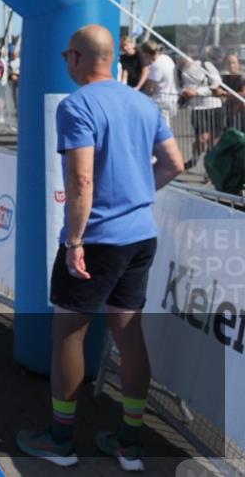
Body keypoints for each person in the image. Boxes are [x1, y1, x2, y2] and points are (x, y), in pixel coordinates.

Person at [17, 25, 184, 470]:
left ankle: (61, 440)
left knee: (67, 336)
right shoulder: (142, 102)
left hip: (96, 240)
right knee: (130, 337)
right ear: (110, 58)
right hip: (139, 236)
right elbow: (175, 163)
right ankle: (130, 442)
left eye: (64, 57)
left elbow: (82, 181)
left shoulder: (78, 106)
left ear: (74, 57)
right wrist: (135, 194)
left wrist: (74, 241)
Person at [178, 53, 223, 168]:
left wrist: (197, 92)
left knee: (213, 141)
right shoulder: (180, 69)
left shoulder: (205, 65)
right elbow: (179, 86)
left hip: (214, 105)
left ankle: (210, 169)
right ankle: (194, 158)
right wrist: (184, 92)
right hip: (197, 108)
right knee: (202, 138)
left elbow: (216, 84)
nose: (180, 59)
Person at [140, 41, 178, 127]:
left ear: (146, 53)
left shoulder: (156, 65)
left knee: (162, 127)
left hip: (161, 100)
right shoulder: (167, 58)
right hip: (172, 96)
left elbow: (150, 87)